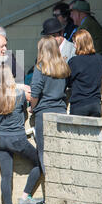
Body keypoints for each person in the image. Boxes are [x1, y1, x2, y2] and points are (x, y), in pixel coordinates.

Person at [0, 65, 41, 204]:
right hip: (18, 139)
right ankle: (25, 197)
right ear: (10, 78)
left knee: (5, 177)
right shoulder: (20, 95)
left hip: (0, 140)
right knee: (40, 163)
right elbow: (24, 112)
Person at [30, 36, 71, 174]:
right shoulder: (64, 66)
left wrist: (32, 107)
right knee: (62, 152)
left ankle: (52, 185)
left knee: (44, 152)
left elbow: (35, 93)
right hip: (61, 111)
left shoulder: (40, 67)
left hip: (44, 113)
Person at [67, 29, 102, 117]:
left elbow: (68, 82)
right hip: (95, 105)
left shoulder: (73, 62)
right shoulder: (99, 59)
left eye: (75, 43)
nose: (74, 46)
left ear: (80, 44)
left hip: (79, 105)